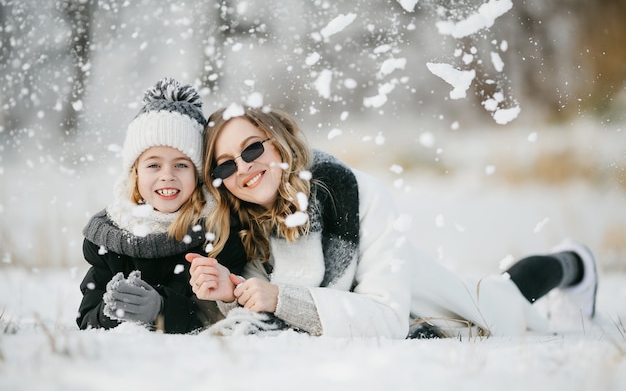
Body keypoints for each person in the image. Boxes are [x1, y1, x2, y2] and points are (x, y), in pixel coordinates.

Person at [186, 104, 598, 339]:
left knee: (506, 295)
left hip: (441, 305)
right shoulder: (245, 229)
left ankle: (575, 263)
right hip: (406, 308)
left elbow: (386, 319)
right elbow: (260, 304)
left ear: (277, 142)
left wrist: (280, 298)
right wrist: (229, 292)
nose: (243, 167)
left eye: (252, 149)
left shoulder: (354, 194)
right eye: (225, 166)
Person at [76, 79, 246, 334]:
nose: (167, 175)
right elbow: (86, 319)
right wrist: (113, 309)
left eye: (181, 165)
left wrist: (160, 308)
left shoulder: (217, 232)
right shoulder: (109, 240)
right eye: (153, 165)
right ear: (135, 173)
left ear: (198, 175)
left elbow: (211, 321)